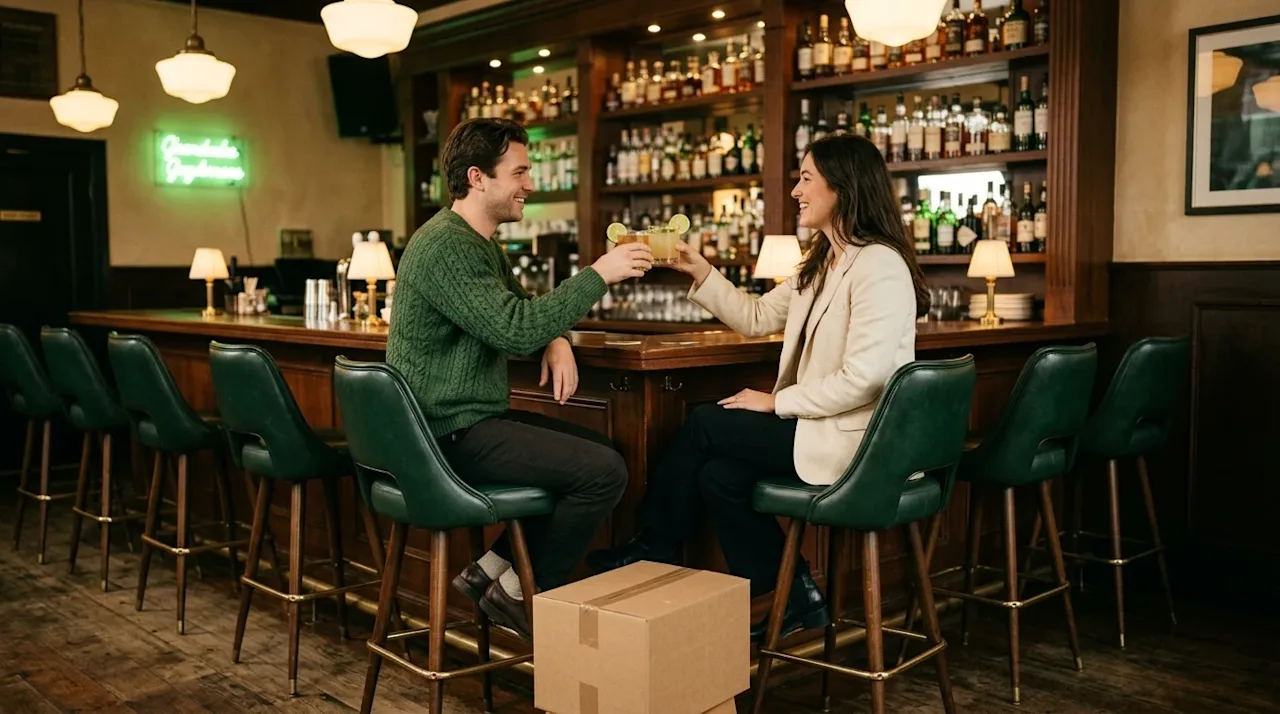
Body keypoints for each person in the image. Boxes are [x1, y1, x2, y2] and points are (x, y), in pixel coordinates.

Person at [586, 134, 930, 641]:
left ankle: (654, 545)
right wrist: (700, 269)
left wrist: (776, 402)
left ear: (843, 186)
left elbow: (868, 377)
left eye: (807, 178)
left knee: (704, 423)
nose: (795, 190)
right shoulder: (825, 261)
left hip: (860, 442)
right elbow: (754, 316)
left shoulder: (879, 265)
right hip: (825, 429)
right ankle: (796, 596)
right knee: (720, 477)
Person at [387, 118, 654, 640]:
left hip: (461, 421)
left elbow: (519, 313)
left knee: (602, 453)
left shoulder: (478, 243)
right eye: (520, 172)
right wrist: (600, 272)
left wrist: (555, 339)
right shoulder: (448, 245)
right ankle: (523, 598)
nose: (529, 184)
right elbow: (513, 329)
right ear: (478, 178)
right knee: (600, 472)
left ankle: (491, 572)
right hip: (445, 434)